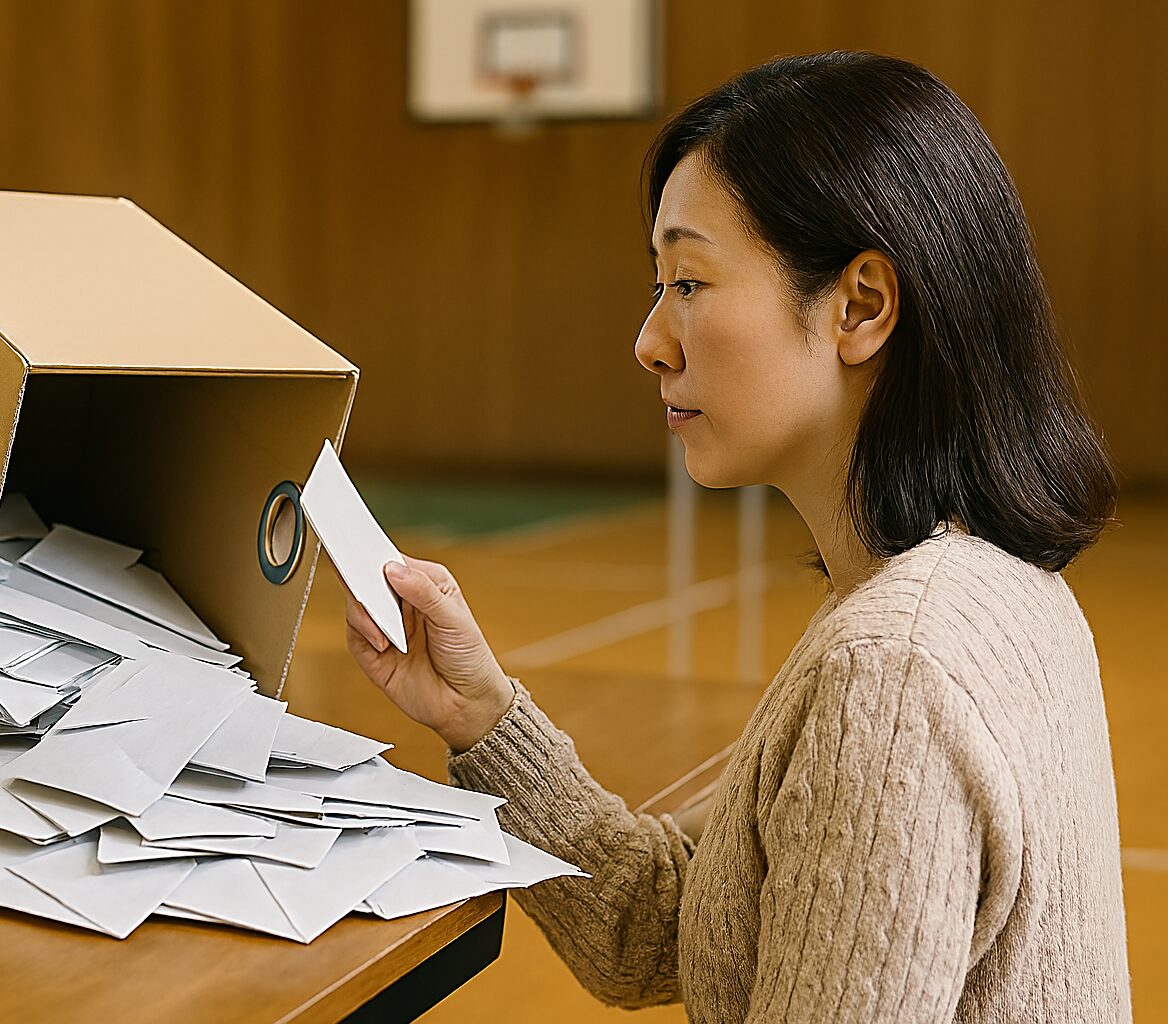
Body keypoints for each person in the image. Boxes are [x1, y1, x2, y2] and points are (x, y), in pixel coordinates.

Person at [341, 52, 1130, 1022]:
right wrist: (482, 716)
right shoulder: (995, 586)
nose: (649, 339)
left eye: (689, 282)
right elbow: (660, 923)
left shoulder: (892, 673)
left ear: (861, 306)